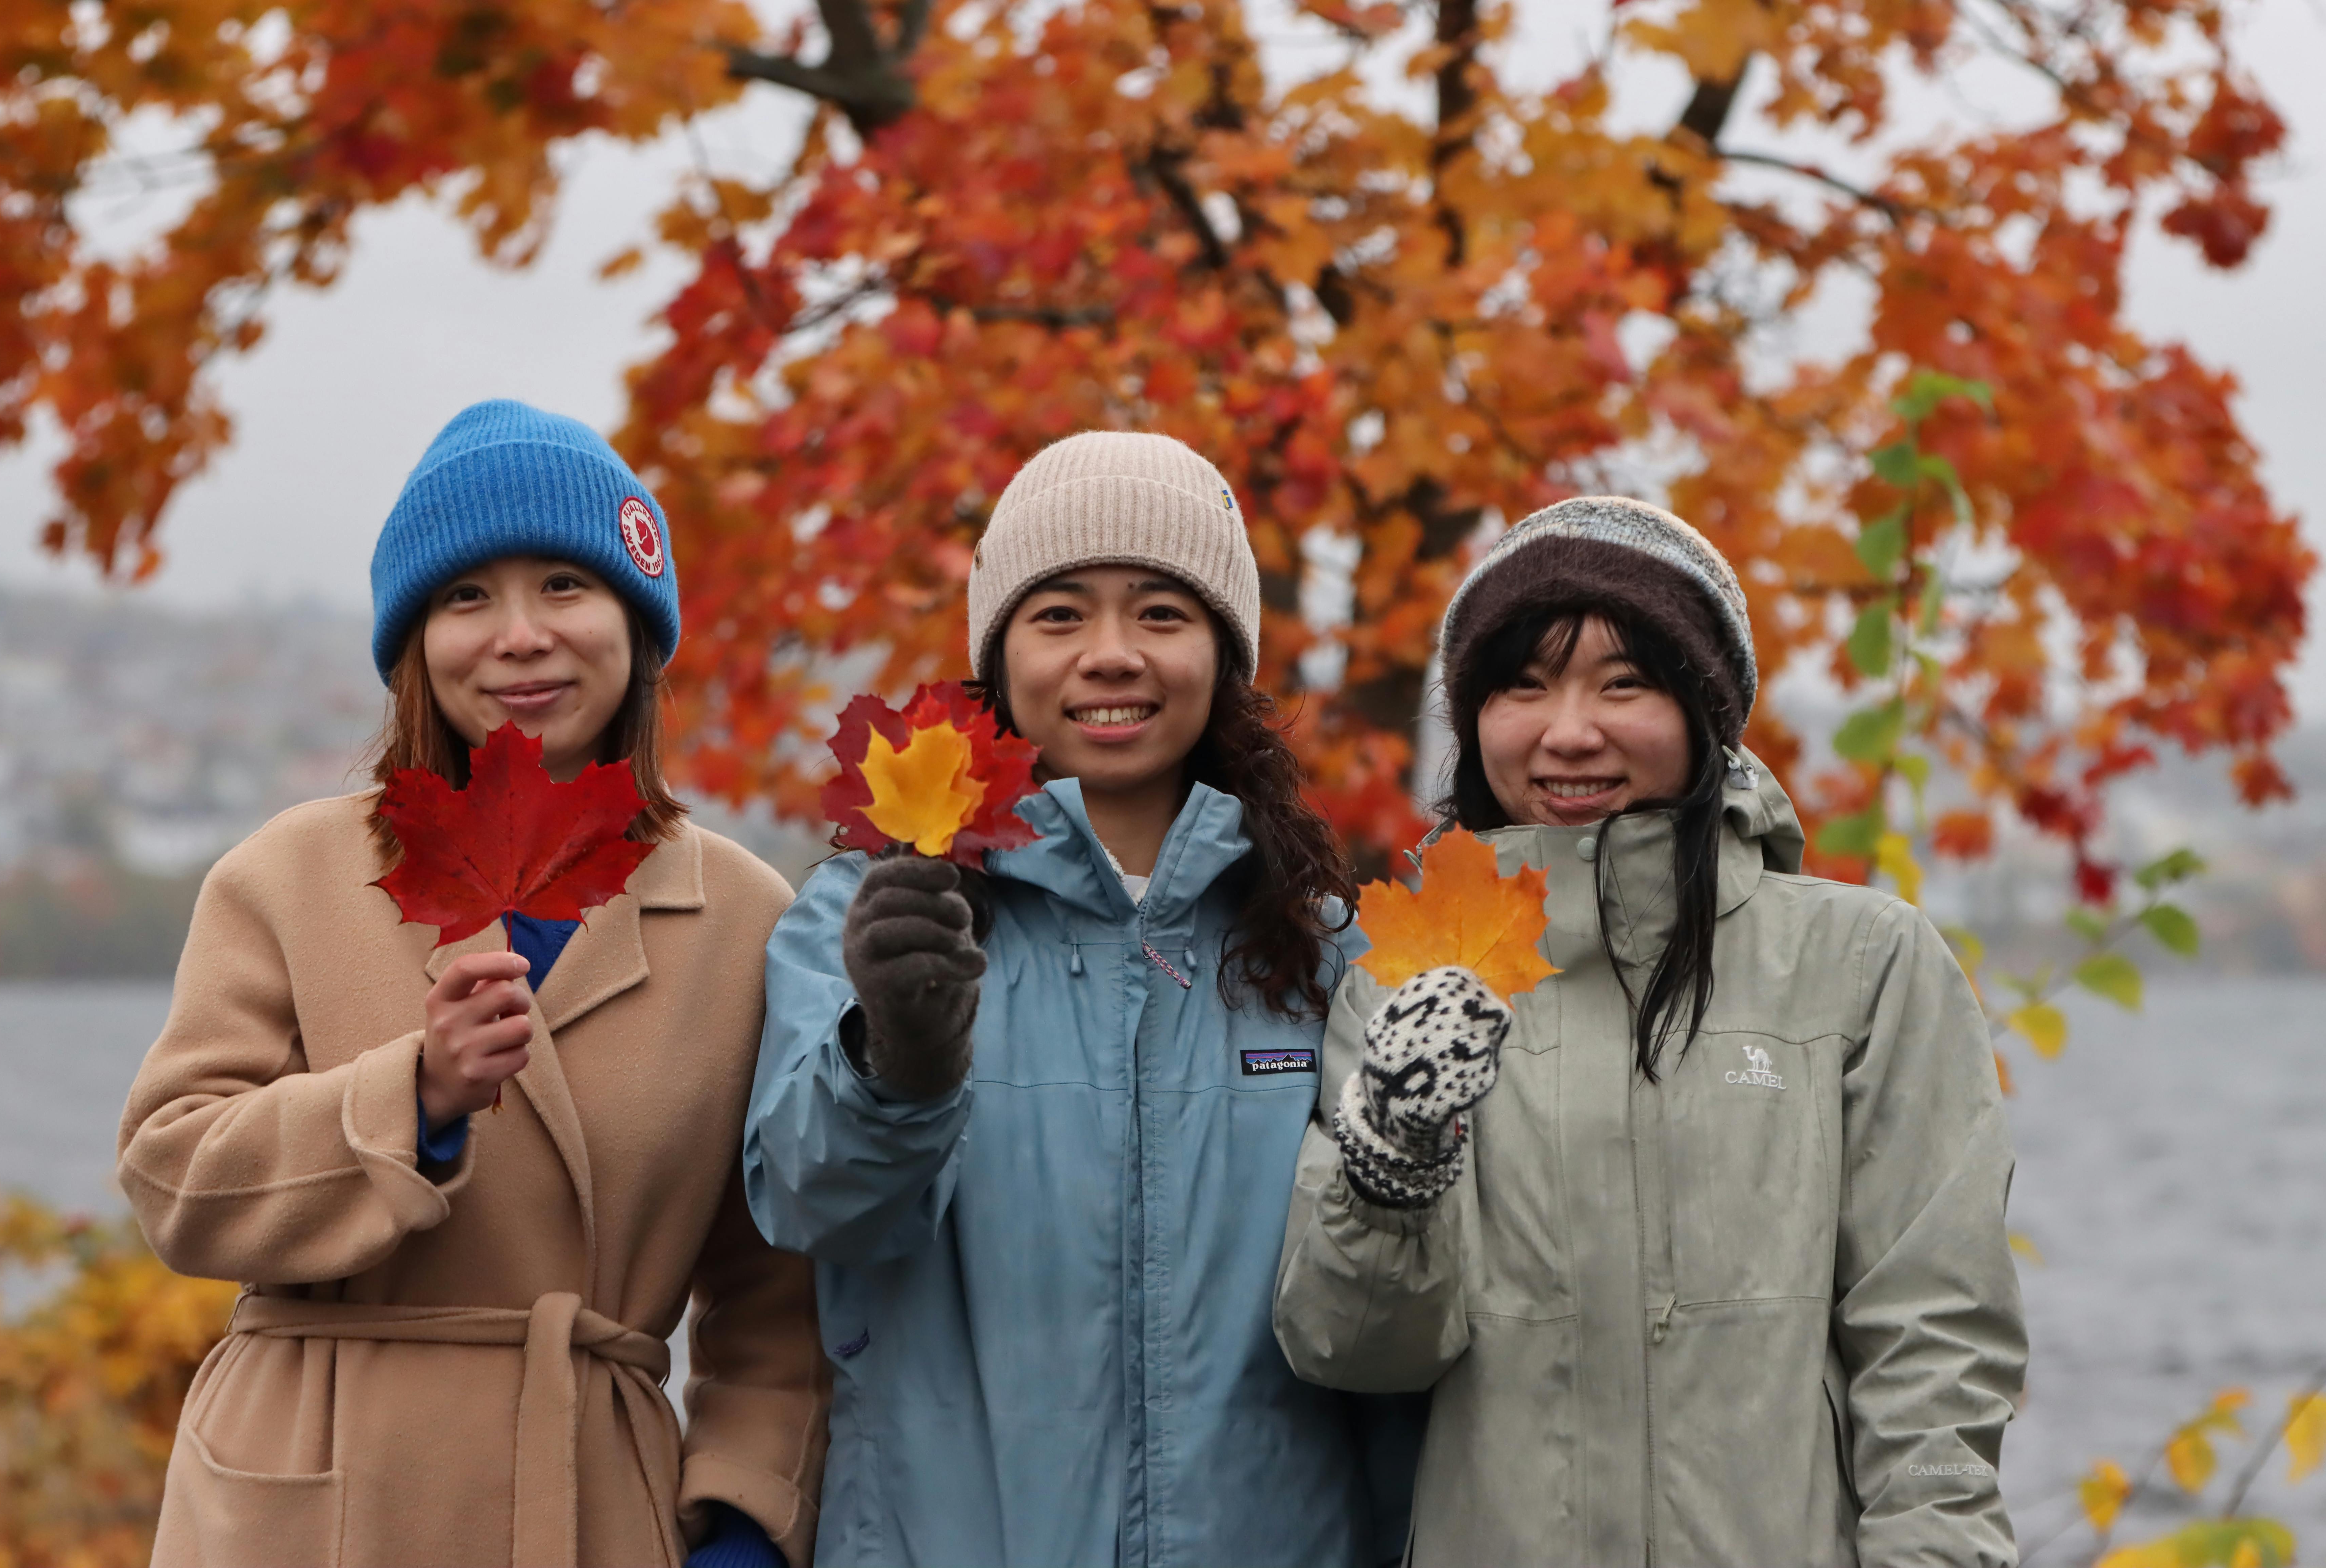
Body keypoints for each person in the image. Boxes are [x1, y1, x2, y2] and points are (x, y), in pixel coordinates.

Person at [118, 401, 827, 1568]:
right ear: (414, 644)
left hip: (594, 1499)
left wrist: (740, 1529)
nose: (519, 636)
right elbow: (174, 1183)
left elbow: (777, 1302)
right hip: (307, 1497)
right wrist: (417, 1098)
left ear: (637, 625)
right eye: (465, 597)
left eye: (565, 585)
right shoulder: (288, 876)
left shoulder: (746, 918)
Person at [1272, 496, 2027, 1567]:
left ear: (1707, 713)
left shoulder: (1863, 965)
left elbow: (1935, 1345)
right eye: (1522, 686)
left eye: (1625, 683)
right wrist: (1391, 1172)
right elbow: (1358, 1356)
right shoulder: (1404, 987)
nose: (1568, 731)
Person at [744, 432, 1420, 1567]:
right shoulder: (874, 914)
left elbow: (1386, 1317)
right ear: (999, 658)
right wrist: (898, 1066)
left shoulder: (1321, 953)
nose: (1112, 656)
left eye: (1162, 613)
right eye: (1059, 615)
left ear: (1225, 653)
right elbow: (811, 1208)